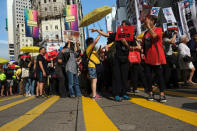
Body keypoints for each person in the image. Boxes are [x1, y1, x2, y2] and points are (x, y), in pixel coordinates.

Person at [91, 20, 132, 101]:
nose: (121, 26)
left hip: (125, 59)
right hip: (116, 59)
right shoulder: (117, 34)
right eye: (121, 25)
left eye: (123, 25)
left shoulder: (131, 35)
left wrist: (125, 43)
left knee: (124, 77)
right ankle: (116, 94)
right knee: (116, 76)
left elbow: (132, 47)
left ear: (127, 26)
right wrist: (97, 30)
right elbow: (106, 34)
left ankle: (124, 93)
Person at [141, 15, 167, 103]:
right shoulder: (145, 33)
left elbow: (155, 36)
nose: (145, 21)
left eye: (147, 20)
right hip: (148, 58)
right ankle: (150, 93)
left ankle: (162, 94)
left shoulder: (158, 29)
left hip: (157, 57)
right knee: (148, 77)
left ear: (152, 21)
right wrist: (142, 53)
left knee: (159, 76)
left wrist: (148, 27)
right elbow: (143, 45)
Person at [86, 35, 101, 100]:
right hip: (92, 67)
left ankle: (93, 94)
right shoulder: (89, 48)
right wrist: (100, 34)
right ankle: (94, 96)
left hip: (94, 67)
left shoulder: (92, 50)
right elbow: (95, 41)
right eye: (92, 42)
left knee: (94, 81)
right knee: (94, 81)